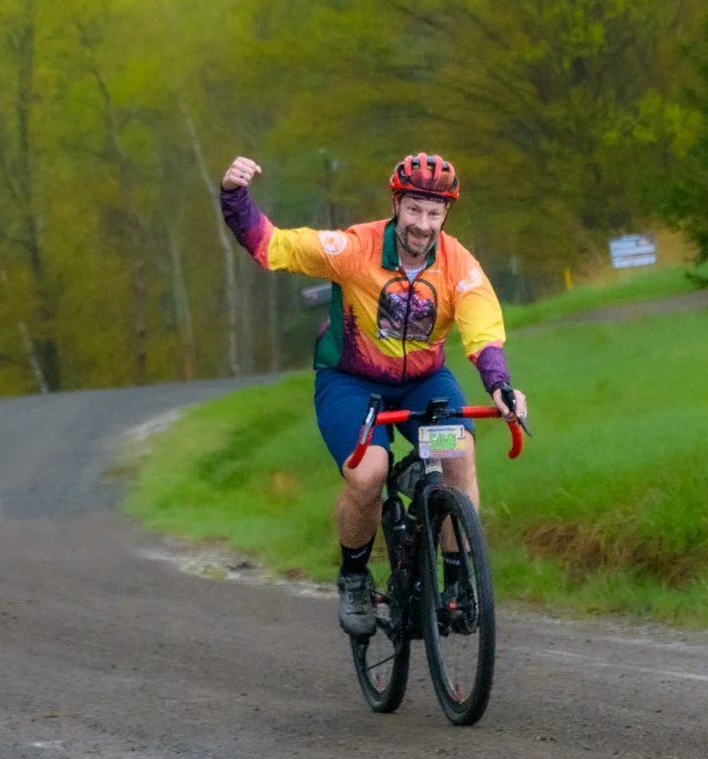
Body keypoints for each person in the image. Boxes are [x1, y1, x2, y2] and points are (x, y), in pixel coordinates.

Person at [219, 151, 528, 636]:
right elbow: (273, 246)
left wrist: (500, 384)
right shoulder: (354, 249)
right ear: (396, 204)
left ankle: (456, 583)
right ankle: (354, 577)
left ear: (446, 214)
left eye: (434, 213)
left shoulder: (458, 264)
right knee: (369, 474)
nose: (422, 225)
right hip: (351, 381)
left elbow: (483, 329)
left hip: (423, 382)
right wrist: (235, 195)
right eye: (413, 210)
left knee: (458, 453)